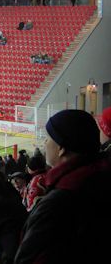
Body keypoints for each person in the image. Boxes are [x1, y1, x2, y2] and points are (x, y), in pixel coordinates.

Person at [15, 109, 111, 264]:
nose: (44, 143)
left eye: (48, 138)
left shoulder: (58, 202)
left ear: (62, 148)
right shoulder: (99, 177)